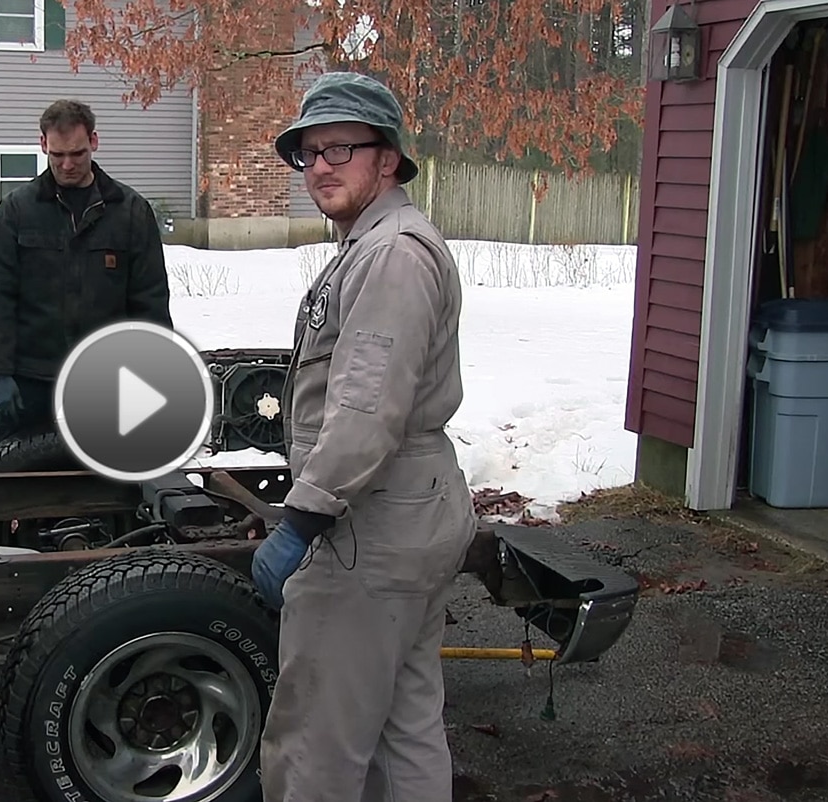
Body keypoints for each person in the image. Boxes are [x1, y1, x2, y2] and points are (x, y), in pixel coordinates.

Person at [250, 71, 479, 801]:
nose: (320, 166)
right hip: (411, 509)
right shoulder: (377, 245)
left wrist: (303, 519)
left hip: (369, 524)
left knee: (317, 742)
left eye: (341, 148)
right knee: (404, 726)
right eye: (309, 152)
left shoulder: (392, 256)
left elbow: (365, 410)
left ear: (388, 159)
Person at [0, 99, 173, 451]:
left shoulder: (129, 213)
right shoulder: (16, 212)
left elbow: (150, 302)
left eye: (77, 154)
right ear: (43, 145)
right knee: (8, 478)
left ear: (94, 142)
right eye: (58, 155)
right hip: (31, 381)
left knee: (108, 478)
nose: (67, 165)